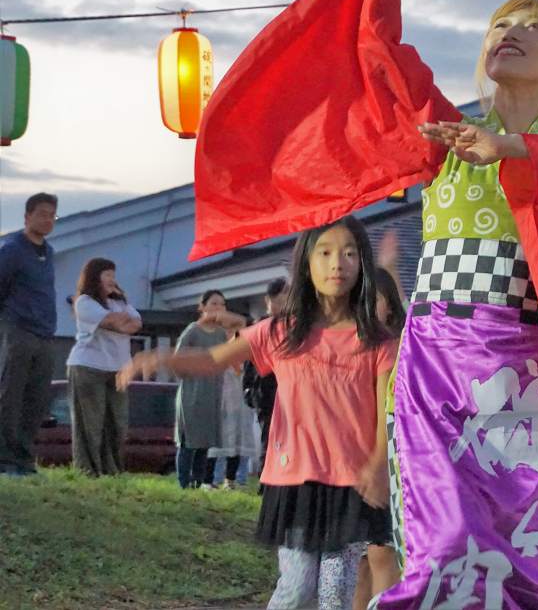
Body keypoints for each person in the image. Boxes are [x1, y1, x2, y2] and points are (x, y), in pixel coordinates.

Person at [186, 0, 538, 606]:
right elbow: (381, 56)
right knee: (443, 543)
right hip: (441, 365)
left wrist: (507, 146)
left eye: (534, 27)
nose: (511, 31)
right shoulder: (444, 139)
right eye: (502, 22)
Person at [120, 216, 395, 609]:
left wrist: (378, 465)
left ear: (362, 264)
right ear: (306, 264)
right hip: (294, 479)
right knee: (298, 588)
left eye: (350, 253)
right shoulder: (281, 330)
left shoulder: (377, 340)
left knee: (335, 597)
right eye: (326, 253)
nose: (338, 263)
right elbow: (215, 359)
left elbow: (389, 409)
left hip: (351, 485)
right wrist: (162, 357)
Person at [353, 266, 407, 610]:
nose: (366, 306)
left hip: (392, 461)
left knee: (383, 551)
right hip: (353, 462)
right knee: (360, 557)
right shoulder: (348, 345)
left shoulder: (403, 344)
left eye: (374, 299)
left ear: (390, 304)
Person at [0, 192, 59, 477]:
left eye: (52, 215)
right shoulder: (11, 249)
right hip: (17, 330)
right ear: (27, 216)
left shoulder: (48, 252)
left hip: (45, 334)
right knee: (10, 396)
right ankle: (4, 460)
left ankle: (23, 459)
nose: (48, 220)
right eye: (42, 214)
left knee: (36, 399)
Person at [66, 258, 142, 476]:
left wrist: (121, 320)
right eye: (106, 275)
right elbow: (112, 323)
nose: (112, 280)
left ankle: (112, 470)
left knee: (117, 422)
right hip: (88, 366)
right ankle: (88, 471)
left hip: (118, 369)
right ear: (94, 277)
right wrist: (120, 321)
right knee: (90, 423)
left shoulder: (121, 303)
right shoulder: (85, 302)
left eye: (113, 275)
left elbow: (136, 324)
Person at [173, 290, 246, 490]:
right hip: (192, 393)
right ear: (202, 307)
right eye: (213, 304)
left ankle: (197, 483)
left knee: (205, 442)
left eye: (222, 305)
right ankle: (183, 484)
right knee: (188, 442)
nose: (218, 309)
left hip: (214, 393)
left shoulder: (222, 334)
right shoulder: (192, 331)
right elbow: (177, 363)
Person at [243, 278, 288, 477]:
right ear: (268, 299)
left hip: (289, 390)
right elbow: (249, 362)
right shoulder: (261, 326)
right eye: (282, 295)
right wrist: (249, 390)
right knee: (269, 435)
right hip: (266, 390)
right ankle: (266, 478)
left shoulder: (295, 326)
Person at [206, 328, 261, 490]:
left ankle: (230, 480)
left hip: (242, 409)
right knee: (217, 446)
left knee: (238, 443)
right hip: (223, 407)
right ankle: (209, 480)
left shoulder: (251, 361)